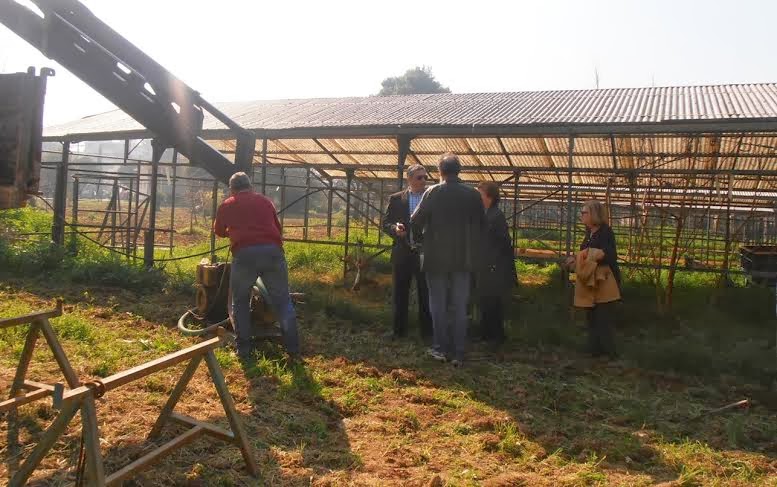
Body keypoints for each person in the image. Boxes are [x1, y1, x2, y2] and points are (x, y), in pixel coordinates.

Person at [213, 172, 300, 360]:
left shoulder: (227, 204)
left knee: (241, 302)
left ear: (232, 189)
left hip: (244, 255)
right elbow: (278, 229)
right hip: (273, 252)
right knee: (283, 301)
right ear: (250, 186)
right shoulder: (265, 201)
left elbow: (219, 231)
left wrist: (235, 232)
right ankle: (293, 350)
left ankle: (244, 351)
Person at [410, 153, 485, 367]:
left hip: (435, 258)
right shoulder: (472, 194)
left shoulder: (432, 192)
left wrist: (424, 241)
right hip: (463, 258)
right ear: (459, 171)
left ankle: (440, 348)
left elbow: (415, 221)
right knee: (460, 306)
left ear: (440, 171)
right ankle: (459, 352)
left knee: (438, 305)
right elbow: (481, 225)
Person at [382, 164, 433, 341]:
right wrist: (395, 229)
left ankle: (427, 333)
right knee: (399, 294)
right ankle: (398, 331)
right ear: (409, 179)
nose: (423, 181)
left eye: (425, 177)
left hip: (424, 253)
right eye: (419, 177)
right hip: (402, 251)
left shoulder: (431, 197)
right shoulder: (396, 199)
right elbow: (386, 223)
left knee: (425, 294)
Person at [569, 200, 621, 359]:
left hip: (604, 282)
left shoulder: (605, 232)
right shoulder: (589, 232)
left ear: (594, 214)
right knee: (591, 316)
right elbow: (585, 252)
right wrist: (575, 259)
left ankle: (609, 354)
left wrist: (587, 255)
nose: (582, 215)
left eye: (584, 212)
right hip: (591, 282)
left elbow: (610, 255)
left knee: (602, 318)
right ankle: (594, 351)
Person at [476, 181, 517, 350]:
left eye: (480, 194)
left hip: (495, 267)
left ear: (490, 197)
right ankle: (486, 334)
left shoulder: (495, 216)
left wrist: (494, 261)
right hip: (487, 266)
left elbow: (504, 242)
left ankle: (496, 337)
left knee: (493, 302)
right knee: (485, 301)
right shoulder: (486, 214)